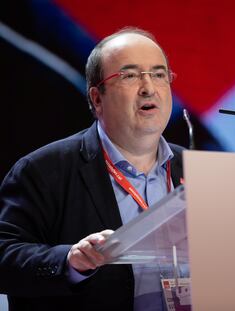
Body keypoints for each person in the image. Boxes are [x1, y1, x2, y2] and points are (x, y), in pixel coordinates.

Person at [0, 27, 185, 310]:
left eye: (159, 75)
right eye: (130, 75)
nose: (149, 87)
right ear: (97, 98)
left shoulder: (196, 169)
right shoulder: (43, 171)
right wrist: (70, 261)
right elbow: (5, 256)